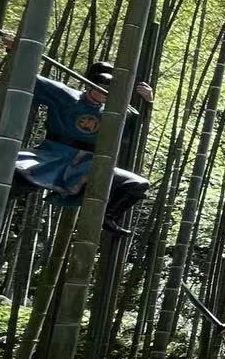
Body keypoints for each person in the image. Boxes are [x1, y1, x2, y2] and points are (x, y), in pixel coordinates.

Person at [13, 60, 153, 236]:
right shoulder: (65, 95)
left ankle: (107, 217)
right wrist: (16, 51)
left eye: (110, 89)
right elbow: (30, 78)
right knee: (13, 176)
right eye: (101, 86)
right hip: (51, 156)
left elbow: (134, 130)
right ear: (89, 84)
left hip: (89, 165)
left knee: (137, 184)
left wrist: (148, 102)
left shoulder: (118, 112)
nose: (104, 92)